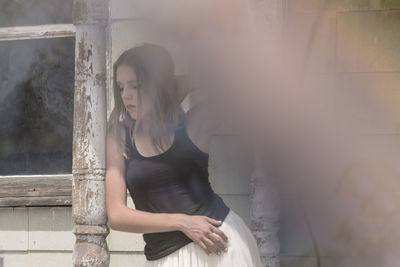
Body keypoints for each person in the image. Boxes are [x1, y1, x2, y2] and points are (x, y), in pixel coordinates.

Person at [105, 43, 263, 267]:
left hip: (221, 247)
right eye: (120, 87)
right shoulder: (119, 135)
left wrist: (180, 84)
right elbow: (117, 216)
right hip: (165, 257)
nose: (125, 95)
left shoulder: (194, 124)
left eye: (135, 86)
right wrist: (183, 222)